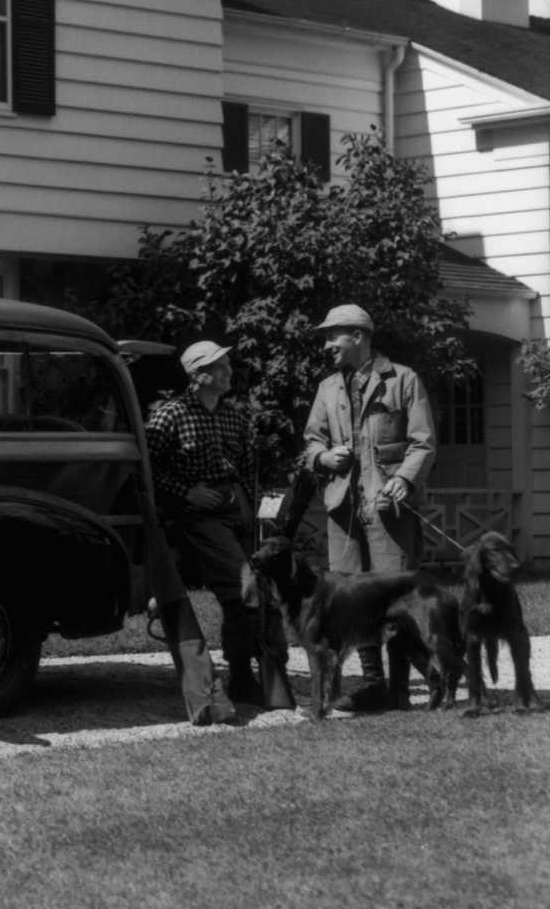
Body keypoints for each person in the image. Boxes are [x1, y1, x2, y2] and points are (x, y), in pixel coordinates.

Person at [299, 302, 436, 712]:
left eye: (333, 335)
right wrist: (323, 459)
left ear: (358, 336)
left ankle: (400, 689)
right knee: (350, 603)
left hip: (388, 510)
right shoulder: (327, 389)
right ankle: (374, 686)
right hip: (342, 511)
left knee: (396, 600)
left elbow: (423, 441)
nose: (327, 344)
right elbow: (311, 442)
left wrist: (403, 478)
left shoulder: (404, 380)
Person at [145, 339, 288, 707]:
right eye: (220, 367)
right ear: (198, 375)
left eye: (227, 365)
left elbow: (247, 468)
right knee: (245, 587)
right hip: (198, 516)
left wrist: (251, 507)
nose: (229, 372)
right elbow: (146, 470)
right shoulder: (169, 415)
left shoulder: (234, 415)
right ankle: (241, 676)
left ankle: (267, 672)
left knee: (263, 591)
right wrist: (186, 492)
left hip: (237, 509)